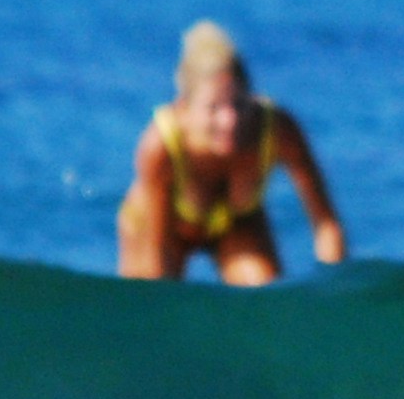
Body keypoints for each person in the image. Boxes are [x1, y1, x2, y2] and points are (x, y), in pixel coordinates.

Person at [114, 21, 348, 284]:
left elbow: (327, 225)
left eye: (238, 104)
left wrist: (334, 292)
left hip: (236, 224)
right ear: (184, 106)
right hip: (161, 230)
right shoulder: (161, 146)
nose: (230, 120)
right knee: (154, 299)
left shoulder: (277, 131)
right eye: (213, 108)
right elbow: (159, 262)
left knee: (264, 297)